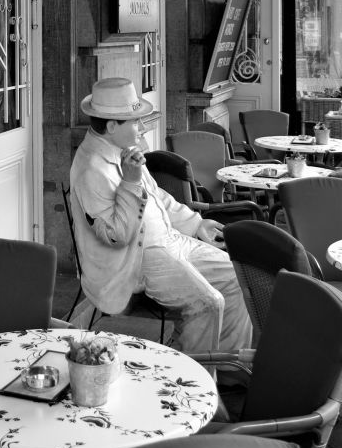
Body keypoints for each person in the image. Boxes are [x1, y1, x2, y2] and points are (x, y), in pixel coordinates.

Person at [70, 77, 252, 354]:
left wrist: (196, 222)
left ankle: (226, 366)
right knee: (208, 302)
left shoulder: (123, 150)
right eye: (135, 122)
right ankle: (194, 378)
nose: (142, 127)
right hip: (136, 260)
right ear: (110, 127)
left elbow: (159, 199)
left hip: (171, 240)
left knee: (239, 276)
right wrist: (130, 183)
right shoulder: (91, 169)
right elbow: (116, 237)